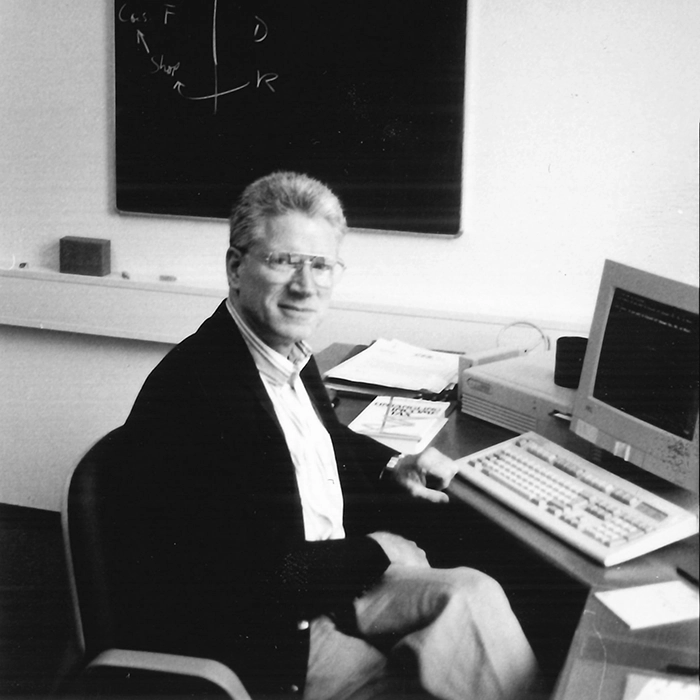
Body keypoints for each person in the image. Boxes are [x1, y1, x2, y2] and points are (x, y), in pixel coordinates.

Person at [122, 171, 539, 699]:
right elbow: (239, 584)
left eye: (320, 265)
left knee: (474, 593)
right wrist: (376, 550)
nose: (305, 285)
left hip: (330, 583)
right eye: (282, 261)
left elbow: (322, 442)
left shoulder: (285, 352)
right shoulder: (196, 393)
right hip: (274, 634)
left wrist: (393, 464)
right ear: (235, 267)